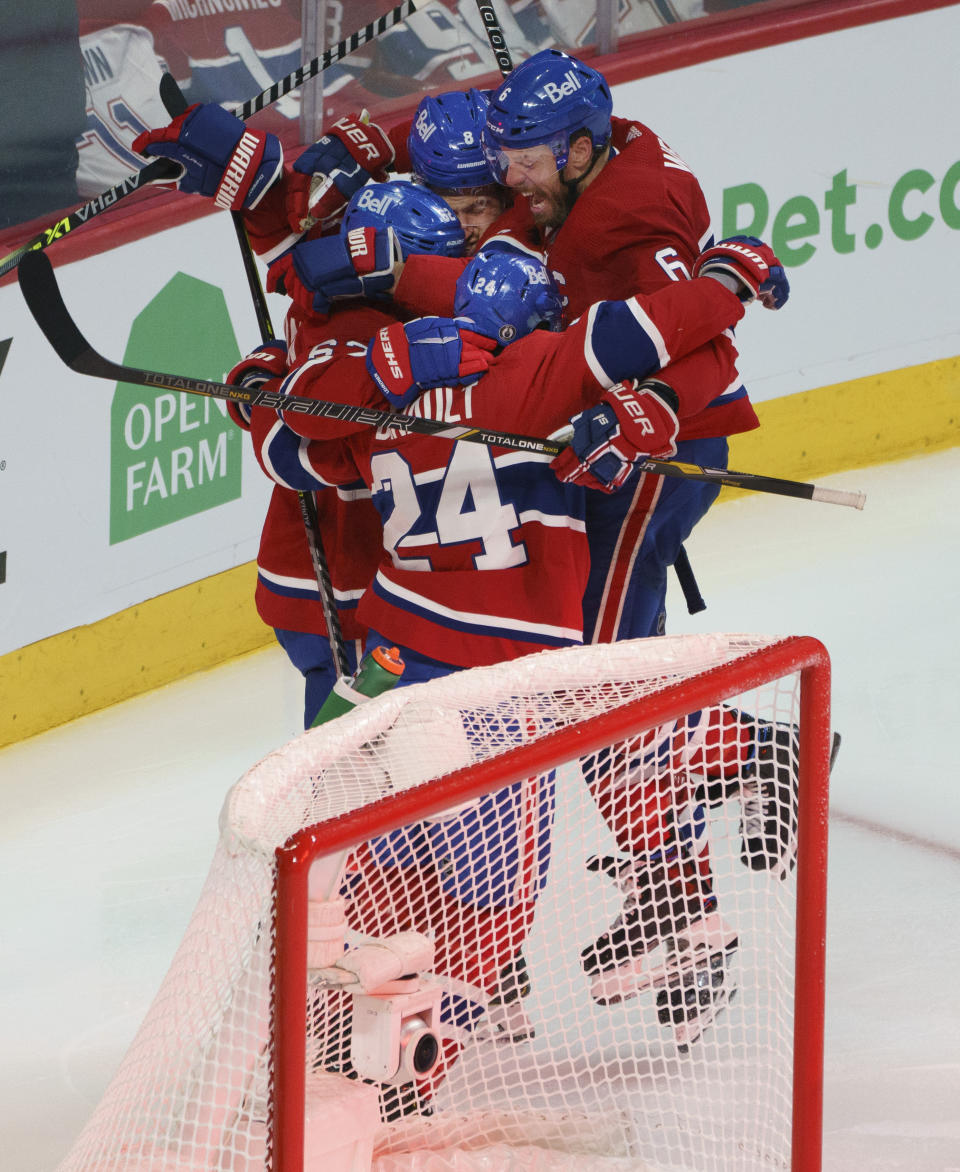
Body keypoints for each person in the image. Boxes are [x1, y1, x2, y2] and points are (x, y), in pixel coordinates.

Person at [238, 233, 781, 1056]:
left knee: (363, 868)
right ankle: (409, 1083)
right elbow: (643, 332)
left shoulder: (387, 394)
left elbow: (289, 454)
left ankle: (316, 1036)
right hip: (496, 695)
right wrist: (728, 280)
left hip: (384, 675)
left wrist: (258, 391)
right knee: (493, 906)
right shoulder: (536, 379)